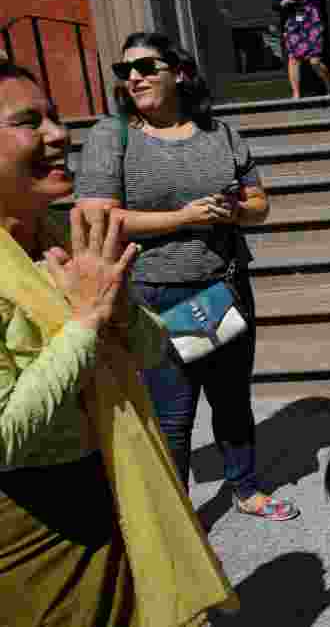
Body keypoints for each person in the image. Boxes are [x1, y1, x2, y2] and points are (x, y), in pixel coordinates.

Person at [0, 62, 237, 625]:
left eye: (55, 117)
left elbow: (151, 350)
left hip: (115, 489)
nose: (59, 134)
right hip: (41, 528)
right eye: (29, 121)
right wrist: (85, 322)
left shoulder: (58, 234)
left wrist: (118, 306)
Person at [75, 32, 298, 521]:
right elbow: (98, 217)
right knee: (173, 411)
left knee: (231, 397)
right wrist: (185, 218)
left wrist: (233, 210)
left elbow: (259, 201)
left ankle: (245, 488)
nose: (133, 77)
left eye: (146, 66)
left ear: (178, 72)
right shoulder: (114, 135)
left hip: (220, 286)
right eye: (124, 70)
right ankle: (175, 517)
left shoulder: (217, 134)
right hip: (158, 290)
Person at [272, 0, 330, 98]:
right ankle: (296, 94)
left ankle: (329, 86)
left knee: (314, 61)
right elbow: (275, 6)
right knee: (294, 59)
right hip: (293, 22)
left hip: (312, 21)